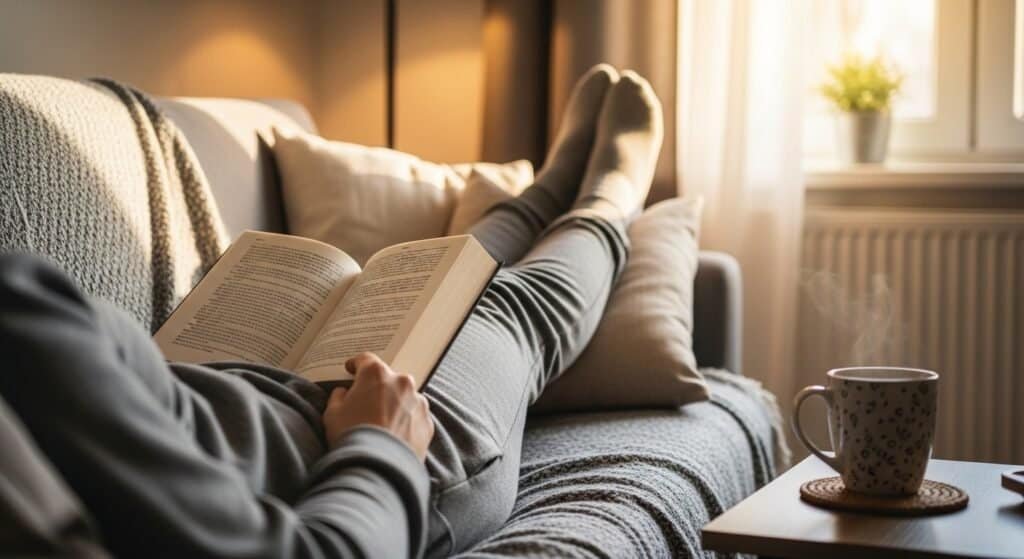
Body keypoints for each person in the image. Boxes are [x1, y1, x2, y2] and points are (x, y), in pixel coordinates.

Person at [0, 65, 662, 558]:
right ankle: (609, 201)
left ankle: (541, 193)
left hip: (257, 393)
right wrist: (383, 443)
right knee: (510, 309)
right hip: (348, 453)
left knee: (434, 270)